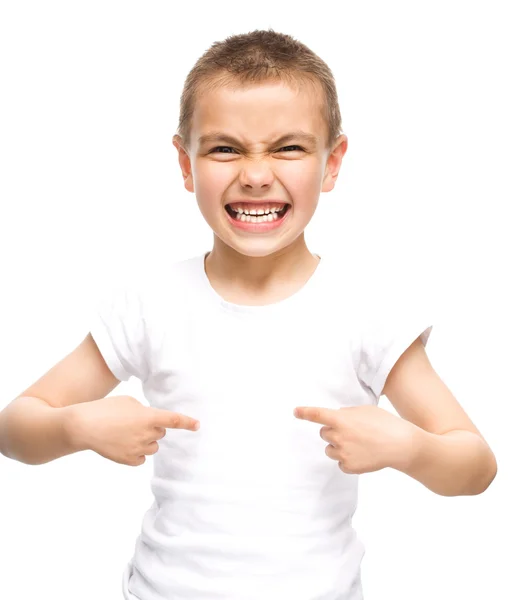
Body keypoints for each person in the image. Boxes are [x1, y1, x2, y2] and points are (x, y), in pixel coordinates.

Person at [0, 28, 497, 600]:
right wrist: (74, 427)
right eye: (224, 148)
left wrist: (411, 449)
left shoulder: (366, 311)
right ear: (185, 164)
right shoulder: (150, 303)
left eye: (288, 147)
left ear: (332, 163)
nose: (256, 174)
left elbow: (476, 465)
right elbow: (16, 427)